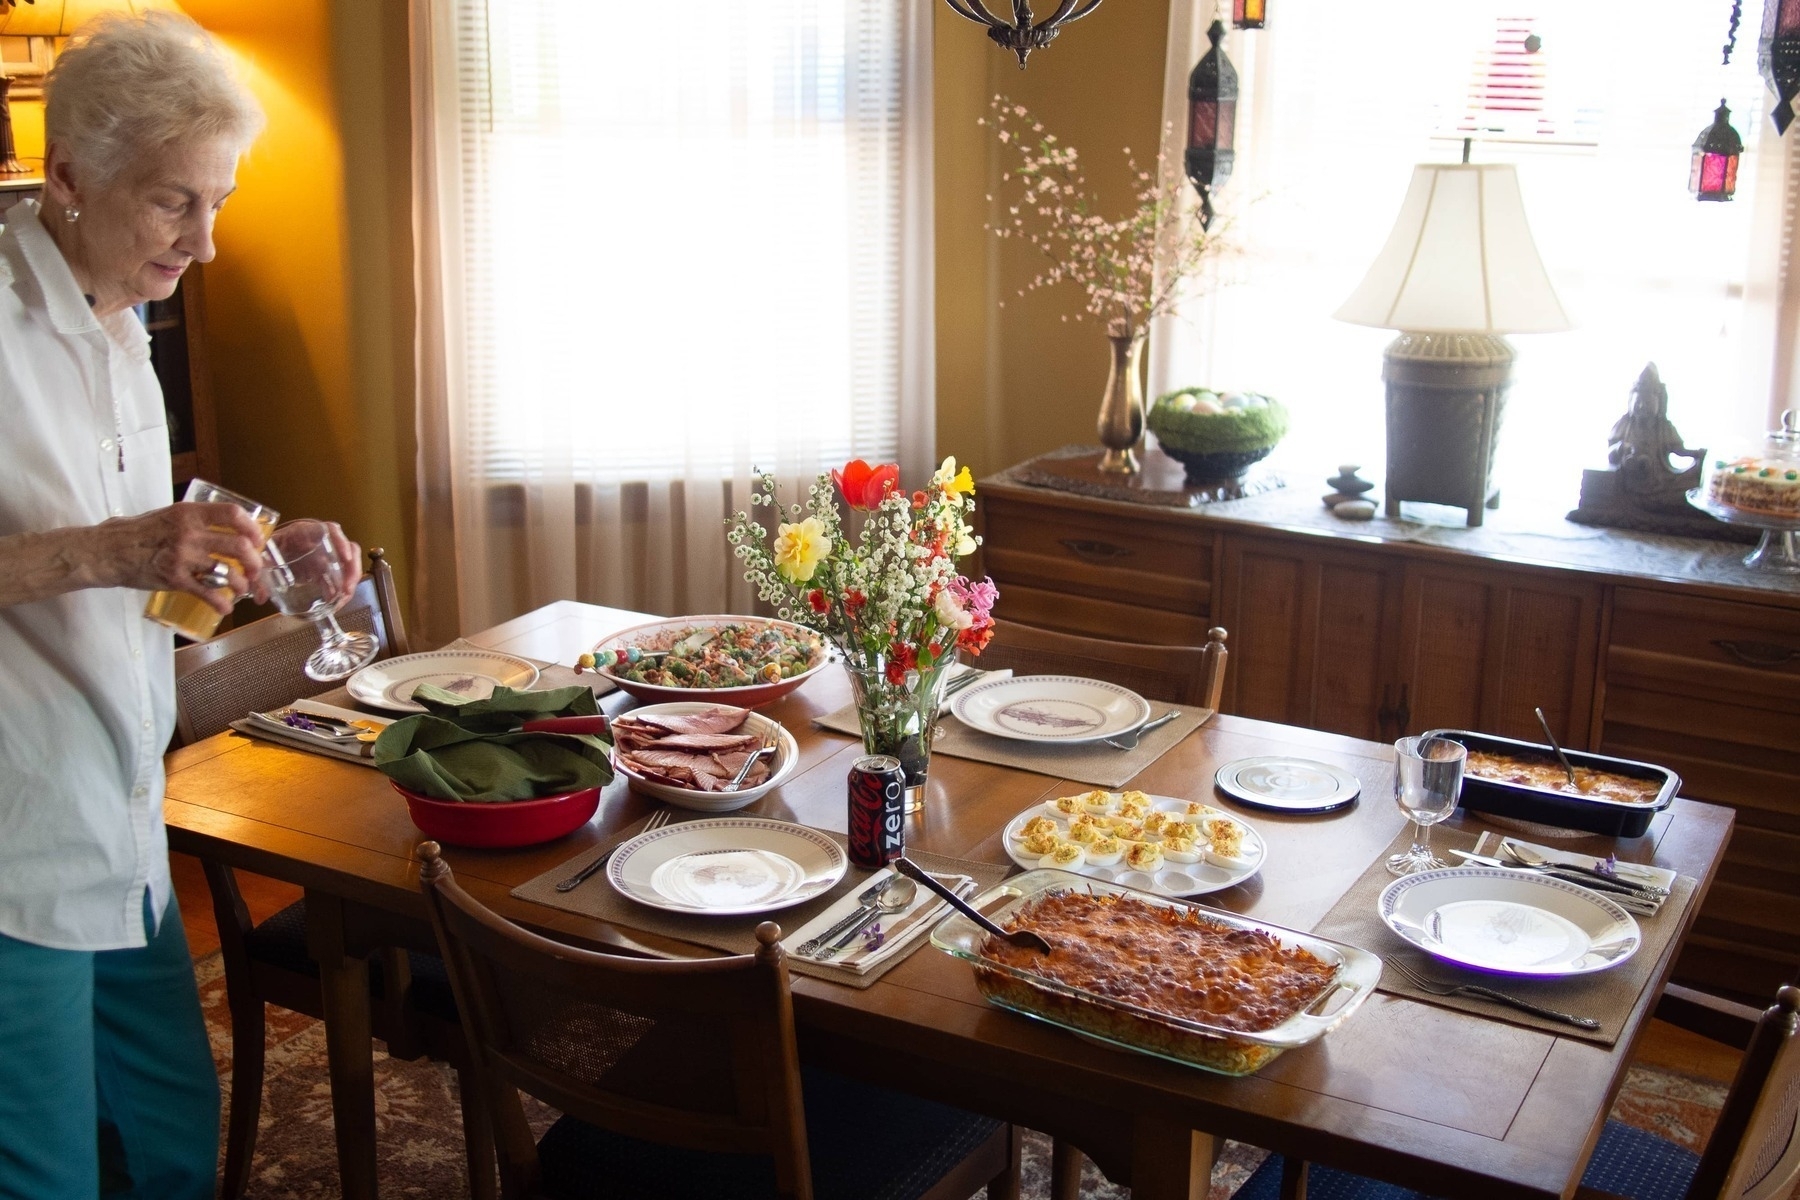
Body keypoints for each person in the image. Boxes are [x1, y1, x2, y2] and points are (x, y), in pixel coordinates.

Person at [0, 14, 354, 1198]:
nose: (204, 244)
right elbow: (101, 552)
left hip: (121, 807)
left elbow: (146, 582)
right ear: (69, 178)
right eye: (171, 202)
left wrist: (255, 561)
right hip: (15, 839)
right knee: (45, 1167)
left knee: (167, 1131)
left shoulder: (123, 320)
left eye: (219, 201)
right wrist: (121, 544)